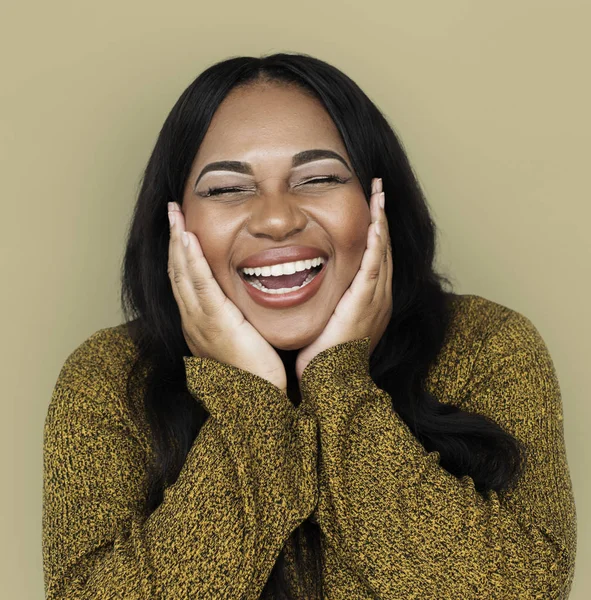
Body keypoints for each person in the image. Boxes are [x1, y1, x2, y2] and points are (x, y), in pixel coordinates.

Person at [42, 53, 577, 599]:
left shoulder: (487, 345)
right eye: (227, 189)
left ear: (377, 203)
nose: (277, 219)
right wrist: (250, 403)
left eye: (318, 178)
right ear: (175, 222)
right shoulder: (108, 378)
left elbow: (523, 589)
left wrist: (338, 383)